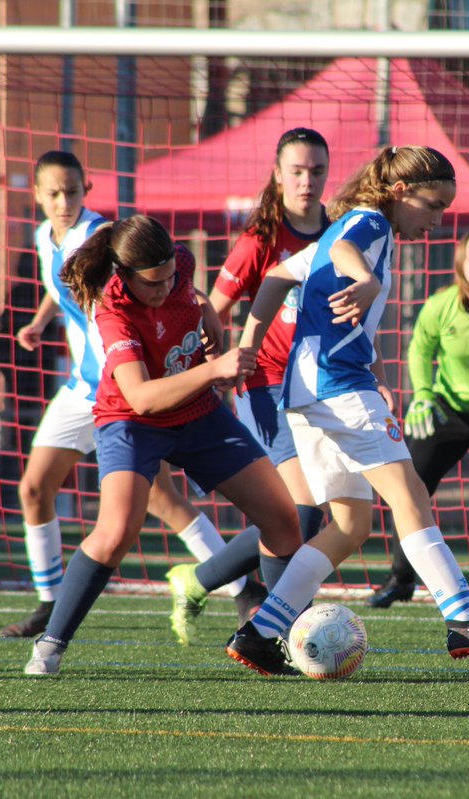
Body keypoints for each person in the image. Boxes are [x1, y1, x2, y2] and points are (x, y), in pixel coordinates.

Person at [225, 145, 469, 677]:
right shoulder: (369, 222)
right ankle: (465, 620)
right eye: (434, 205)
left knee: (349, 525)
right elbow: (350, 249)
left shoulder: (339, 229)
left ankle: (260, 632)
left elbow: (279, 274)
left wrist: (251, 341)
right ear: (400, 192)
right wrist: (366, 281)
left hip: (306, 392)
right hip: (339, 388)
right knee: (410, 495)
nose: (438, 221)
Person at [24, 214, 301, 676]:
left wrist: (208, 313)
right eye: (153, 284)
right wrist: (214, 370)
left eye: (171, 276)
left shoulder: (181, 266)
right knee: (115, 535)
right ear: (124, 276)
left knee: (284, 520)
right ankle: (50, 645)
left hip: (198, 413)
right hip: (132, 423)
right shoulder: (111, 311)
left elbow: (191, 294)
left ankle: (268, 639)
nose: (165, 288)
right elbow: (142, 398)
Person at [3, 151, 264, 642]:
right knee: (35, 489)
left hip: (126, 387)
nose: (64, 202)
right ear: (35, 195)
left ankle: (241, 588)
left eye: (73, 192)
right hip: (87, 387)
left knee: (161, 501)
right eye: (54, 193)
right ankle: (50, 601)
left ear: (88, 189)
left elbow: (167, 281)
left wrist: (204, 305)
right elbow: (63, 282)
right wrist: (41, 321)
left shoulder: (103, 239)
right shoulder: (46, 238)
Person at [164, 128, 332, 640]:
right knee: (301, 510)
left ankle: (198, 578)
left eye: (317, 171)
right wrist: (212, 373)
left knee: (309, 514)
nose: (307, 181)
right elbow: (212, 312)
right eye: (297, 171)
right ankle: (282, 631)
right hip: (266, 385)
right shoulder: (260, 239)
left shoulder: (339, 233)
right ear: (278, 174)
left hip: (323, 385)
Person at [368, 229, 469, 608]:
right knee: (408, 485)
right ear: (460, 262)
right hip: (449, 407)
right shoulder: (441, 304)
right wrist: (422, 396)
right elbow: (420, 350)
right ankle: (401, 578)